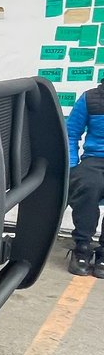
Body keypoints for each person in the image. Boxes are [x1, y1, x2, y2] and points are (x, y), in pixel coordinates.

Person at [66, 76, 104, 276]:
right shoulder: (89, 99)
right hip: (94, 160)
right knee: (88, 186)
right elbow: (71, 133)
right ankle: (82, 247)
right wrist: (73, 165)